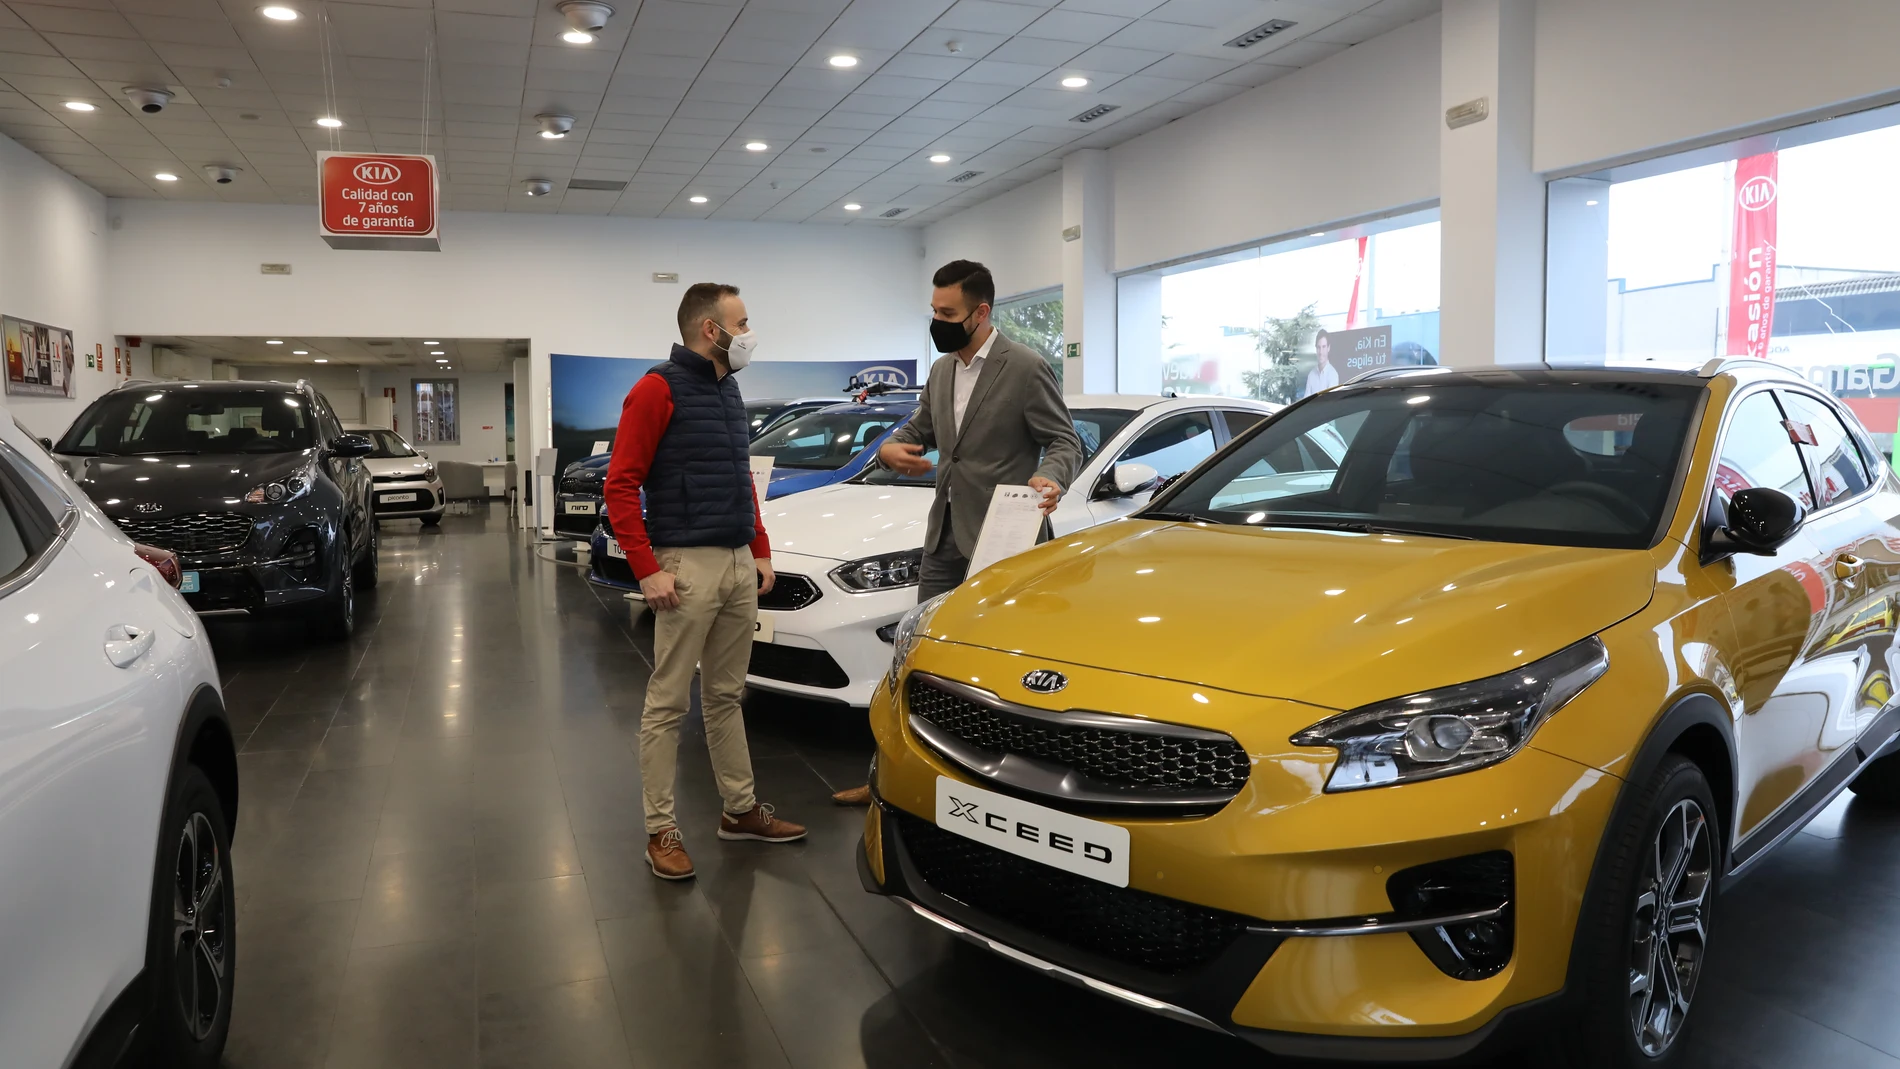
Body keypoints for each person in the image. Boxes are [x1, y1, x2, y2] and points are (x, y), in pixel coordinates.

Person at [830, 260, 1083, 807]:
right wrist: (892, 447)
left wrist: (1051, 475)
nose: (938, 321)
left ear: (981, 312)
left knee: (1000, 667)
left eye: (947, 313)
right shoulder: (942, 369)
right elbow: (918, 429)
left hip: (1003, 540)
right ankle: (891, 773)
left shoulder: (1025, 367)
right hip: (943, 535)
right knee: (918, 656)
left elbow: (1064, 441)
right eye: (935, 311)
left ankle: (997, 787)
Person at [602, 282, 806, 880]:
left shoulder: (728, 388)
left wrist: (760, 550)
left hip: (739, 563)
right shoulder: (655, 388)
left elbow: (742, 479)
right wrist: (646, 569)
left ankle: (739, 811)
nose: (748, 334)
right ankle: (659, 829)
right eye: (741, 324)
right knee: (667, 703)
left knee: (724, 696)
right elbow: (620, 485)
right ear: (709, 330)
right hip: (685, 568)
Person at [1303, 329, 1339, 398]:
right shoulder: (1311, 375)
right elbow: (1306, 400)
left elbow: (1330, 402)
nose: (1321, 352)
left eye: (1323, 347)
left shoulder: (1333, 375)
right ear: (1316, 349)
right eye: (1318, 347)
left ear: (1328, 348)